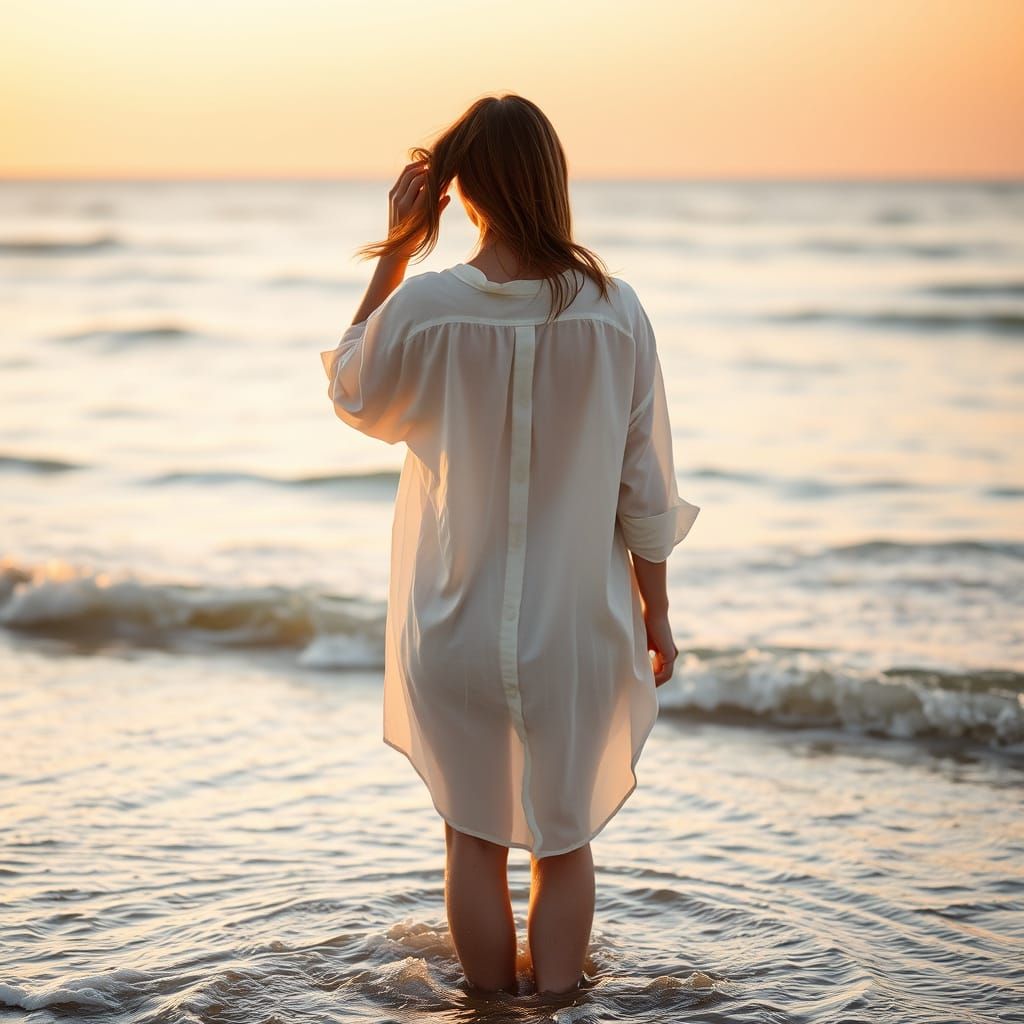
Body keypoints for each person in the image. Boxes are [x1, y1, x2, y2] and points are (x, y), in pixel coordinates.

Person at [318, 93, 700, 999]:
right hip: (577, 626)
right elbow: (644, 490)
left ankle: (490, 1011)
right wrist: (660, 614)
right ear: (551, 180)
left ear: (463, 191)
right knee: (565, 841)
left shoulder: (426, 307)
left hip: (454, 620)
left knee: (473, 841)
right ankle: (559, 1004)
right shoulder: (617, 313)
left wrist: (397, 252)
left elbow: (352, 390)